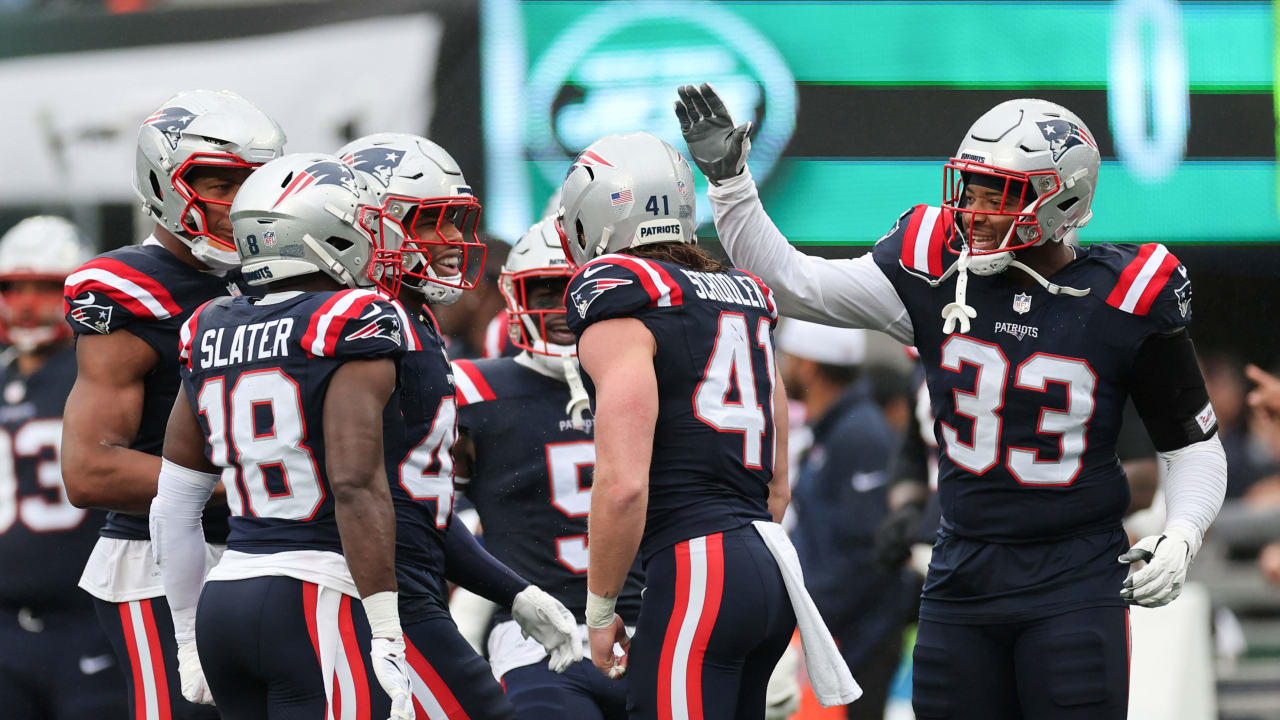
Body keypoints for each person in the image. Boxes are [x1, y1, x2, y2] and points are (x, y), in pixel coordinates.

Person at [678, 83, 1228, 719]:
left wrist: (1182, 535)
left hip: (1074, 580)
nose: (975, 211)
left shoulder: (1124, 296)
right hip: (962, 572)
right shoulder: (937, 270)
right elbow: (794, 282)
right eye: (970, 188)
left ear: (1061, 198)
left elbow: (1193, 447)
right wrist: (731, 183)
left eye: (1000, 194)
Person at [560, 131, 858, 719]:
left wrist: (599, 611)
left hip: (699, 566)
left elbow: (623, 485)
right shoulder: (739, 296)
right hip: (768, 563)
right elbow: (777, 484)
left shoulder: (623, 303)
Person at [150, 152, 417, 719]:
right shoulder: (351, 315)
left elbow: (173, 504)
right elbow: (353, 482)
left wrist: (184, 636)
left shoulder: (209, 323)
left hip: (226, 599)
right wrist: (389, 633)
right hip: (314, 596)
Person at [339, 133, 581, 719]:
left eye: (456, 222)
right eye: (432, 223)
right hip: (358, 584)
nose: (454, 244)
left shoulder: (406, 321)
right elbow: (364, 492)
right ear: (369, 225)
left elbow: (418, 506)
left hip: (381, 575)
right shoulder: (367, 325)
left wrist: (513, 592)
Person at [62, 89, 284, 720]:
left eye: (251, 184)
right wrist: (259, 485)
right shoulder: (128, 289)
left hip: (278, 549)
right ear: (163, 182)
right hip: (161, 562)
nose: (236, 204)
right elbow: (91, 470)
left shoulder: (288, 277)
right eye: (217, 182)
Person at [452, 216, 644, 720]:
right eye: (544, 290)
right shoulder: (470, 389)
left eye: (574, 291)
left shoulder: (646, 379)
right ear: (515, 297)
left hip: (646, 631)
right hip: (532, 637)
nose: (562, 308)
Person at [0, 216, 128, 719]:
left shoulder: (97, 373)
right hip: (6, 623)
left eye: (46, 287)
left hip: (88, 618)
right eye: (14, 288)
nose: (28, 303)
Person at [777, 319, 908, 720]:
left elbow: (868, 552)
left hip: (858, 642)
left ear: (808, 365)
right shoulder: (839, 430)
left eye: (786, 356)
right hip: (839, 638)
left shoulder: (859, 434)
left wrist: (796, 614)